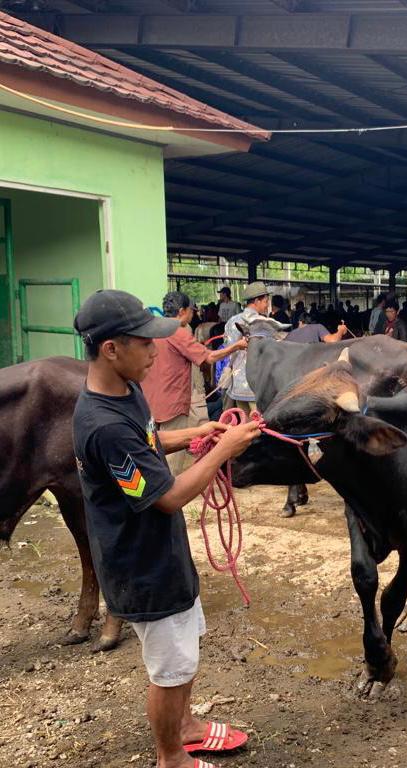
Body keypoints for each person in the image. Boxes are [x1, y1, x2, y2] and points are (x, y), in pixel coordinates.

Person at [72, 289, 261, 768]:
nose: (156, 352)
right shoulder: (102, 427)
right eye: (146, 344)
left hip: (164, 552)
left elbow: (150, 439)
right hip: (141, 565)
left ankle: (188, 725)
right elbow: (167, 496)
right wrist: (224, 450)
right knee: (169, 669)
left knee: (186, 648)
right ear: (111, 348)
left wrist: (197, 433)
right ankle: (171, 756)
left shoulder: (126, 392)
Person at [141, 292, 247, 474]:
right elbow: (210, 357)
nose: (194, 315)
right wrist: (236, 346)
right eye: (192, 310)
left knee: (152, 449)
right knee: (172, 461)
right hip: (172, 406)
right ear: (182, 311)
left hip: (149, 405)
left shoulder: (152, 328)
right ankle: (169, 497)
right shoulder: (177, 331)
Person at [223, 281, 270, 414]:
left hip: (237, 385)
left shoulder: (231, 321)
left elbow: (227, 349)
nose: (267, 306)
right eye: (266, 302)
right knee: (259, 425)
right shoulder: (262, 322)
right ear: (257, 301)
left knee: (244, 424)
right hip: (256, 385)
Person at [284, 312, 348, 343]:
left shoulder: (290, 334)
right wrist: (341, 330)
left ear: (300, 322)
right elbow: (333, 341)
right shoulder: (317, 327)